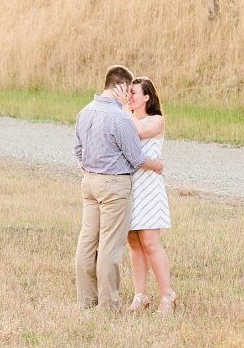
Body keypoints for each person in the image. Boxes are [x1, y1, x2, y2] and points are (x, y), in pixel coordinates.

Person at [73, 64, 164, 310]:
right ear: (122, 86)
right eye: (128, 90)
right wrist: (156, 164)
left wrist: (88, 171)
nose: (129, 97)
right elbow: (136, 158)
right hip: (113, 185)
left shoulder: (85, 111)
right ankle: (108, 305)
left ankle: (86, 301)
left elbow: (77, 151)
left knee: (87, 242)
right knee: (110, 247)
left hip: (89, 182)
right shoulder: (120, 117)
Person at [125, 77, 176, 314]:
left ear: (147, 96)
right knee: (134, 241)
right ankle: (140, 295)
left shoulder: (156, 120)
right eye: (128, 93)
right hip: (130, 187)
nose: (130, 97)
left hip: (149, 188)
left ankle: (167, 295)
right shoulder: (127, 119)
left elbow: (143, 132)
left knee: (150, 241)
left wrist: (123, 113)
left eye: (134, 93)